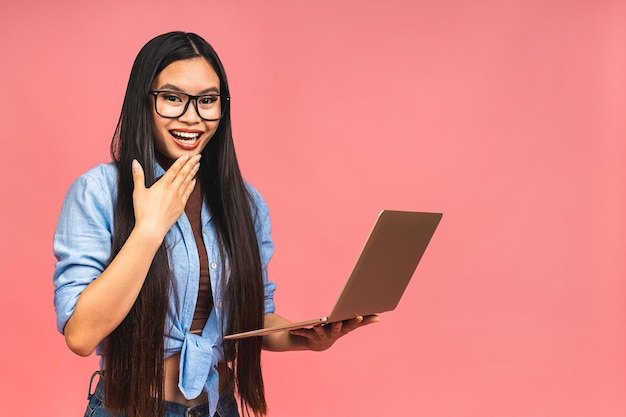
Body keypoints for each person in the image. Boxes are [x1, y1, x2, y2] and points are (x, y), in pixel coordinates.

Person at [53, 31, 378, 417]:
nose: (192, 117)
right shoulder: (98, 191)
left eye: (207, 101)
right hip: (132, 408)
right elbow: (80, 334)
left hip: (217, 408)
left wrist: (306, 338)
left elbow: (253, 316)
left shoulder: (245, 203)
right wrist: (150, 227)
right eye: (172, 98)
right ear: (144, 101)